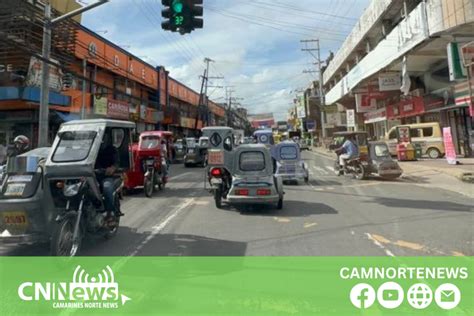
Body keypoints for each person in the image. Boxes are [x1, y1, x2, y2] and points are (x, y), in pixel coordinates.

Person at [95, 132, 123, 217]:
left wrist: (112, 168)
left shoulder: (112, 149)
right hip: (91, 176)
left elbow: (116, 163)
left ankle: (110, 212)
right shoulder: (91, 149)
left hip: (106, 176)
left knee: (107, 188)